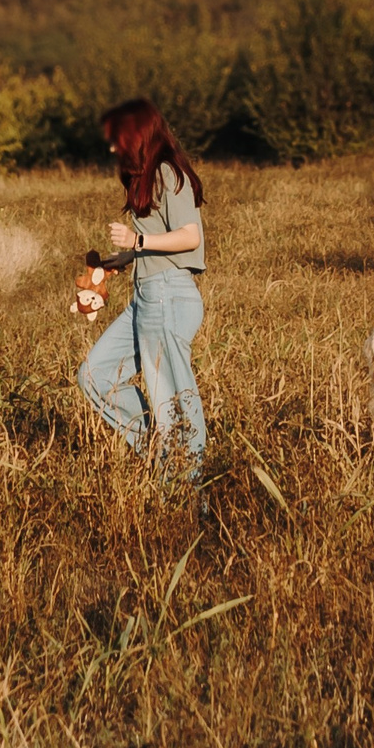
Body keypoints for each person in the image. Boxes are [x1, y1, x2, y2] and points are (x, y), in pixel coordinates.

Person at [77, 98, 210, 482]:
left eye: (117, 138)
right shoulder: (150, 176)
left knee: (174, 399)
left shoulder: (169, 172)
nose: (113, 148)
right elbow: (157, 240)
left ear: (136, 135)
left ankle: (188, 486)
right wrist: (124, 258)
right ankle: (161, 452)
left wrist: (136, 241)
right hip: (147, 297)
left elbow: (189, 236)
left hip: (168, 296)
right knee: (93, 374)